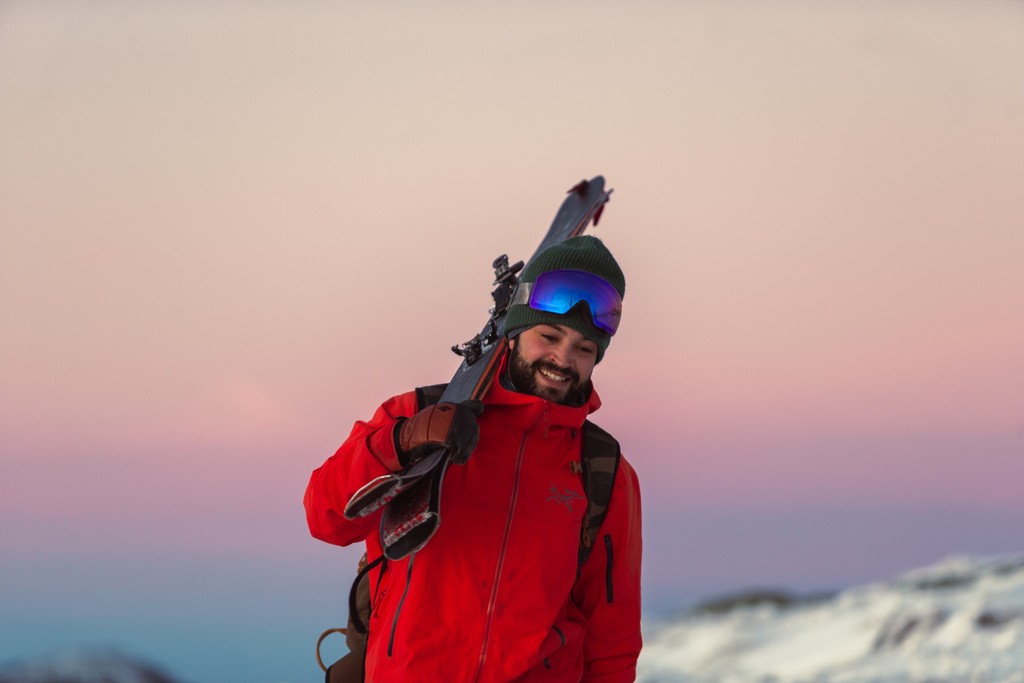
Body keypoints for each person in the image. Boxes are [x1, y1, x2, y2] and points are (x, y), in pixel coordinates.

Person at [304, 235, 642, 682]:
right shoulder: (417, 414)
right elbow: (325, 518)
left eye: (584, 348)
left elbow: (611, 636)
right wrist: (402, 442)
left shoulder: (604, 471)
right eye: (549, 335)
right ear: (515, 333)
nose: (563, 359)